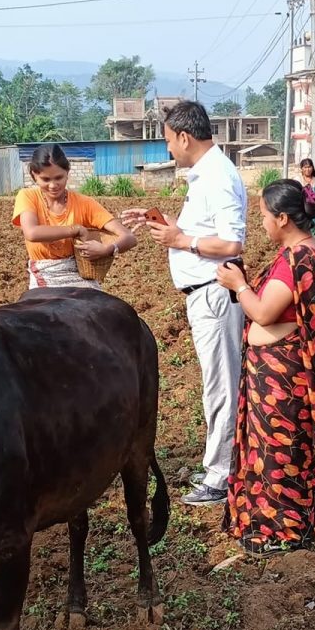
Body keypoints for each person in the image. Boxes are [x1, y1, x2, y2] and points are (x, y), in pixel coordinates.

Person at [120, 101, 247, 506]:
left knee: (221, 385)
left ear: (184, 137)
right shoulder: (205, 175)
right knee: (217, 383)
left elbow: (231, 243)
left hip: (214, 292)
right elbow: (204, 229)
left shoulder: (217, 177)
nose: (168, 150)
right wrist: (167, 223)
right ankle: (221, 464)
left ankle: (221, 475)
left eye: (169, 141)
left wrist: (182, 241)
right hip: (205, 294)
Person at [216, 179, 315, 553]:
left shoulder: (299, 258)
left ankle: (281, 529)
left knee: (279, 449)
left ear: (284, 218)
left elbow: (262, 311)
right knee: (284, 447)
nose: (262, 223)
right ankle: (299, 516)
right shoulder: (306, 250)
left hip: (281, 375)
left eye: (263, 216)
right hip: (274, 370)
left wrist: (239, 284)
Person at [13, 144, 136, 289]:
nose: (53, 185)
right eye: (45, 179)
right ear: (34, 175)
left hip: (80, 274)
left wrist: (108, 249)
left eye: (59, 178)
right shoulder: (28, 196)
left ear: (67, 172)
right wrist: (76, 230)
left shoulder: (85, 203)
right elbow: (31, 233)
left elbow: (129, 237)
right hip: (44, 275)